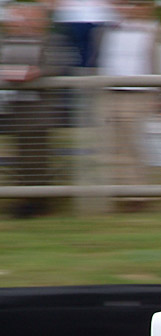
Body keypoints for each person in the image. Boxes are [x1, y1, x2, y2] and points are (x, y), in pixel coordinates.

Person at [0, 2, 74, 218]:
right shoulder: (6, 41)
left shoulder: (52, 40)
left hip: (37, 110)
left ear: (41, 21)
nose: (22, 23)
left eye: (28, 18)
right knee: (20, 157)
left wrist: (37, 72)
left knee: (35, 157)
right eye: (18, 18)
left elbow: (59, 64)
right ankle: (23, 197)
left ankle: (38, 201)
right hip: (11, 108)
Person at [95, 0, 161, 208]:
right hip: (108, 92)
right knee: (110, 144)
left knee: (133, 144)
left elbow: (158, 63)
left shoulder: (155, 31)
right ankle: (115, 192)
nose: (127, 8)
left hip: (138, 93)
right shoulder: (102, 31)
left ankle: (136, 194)